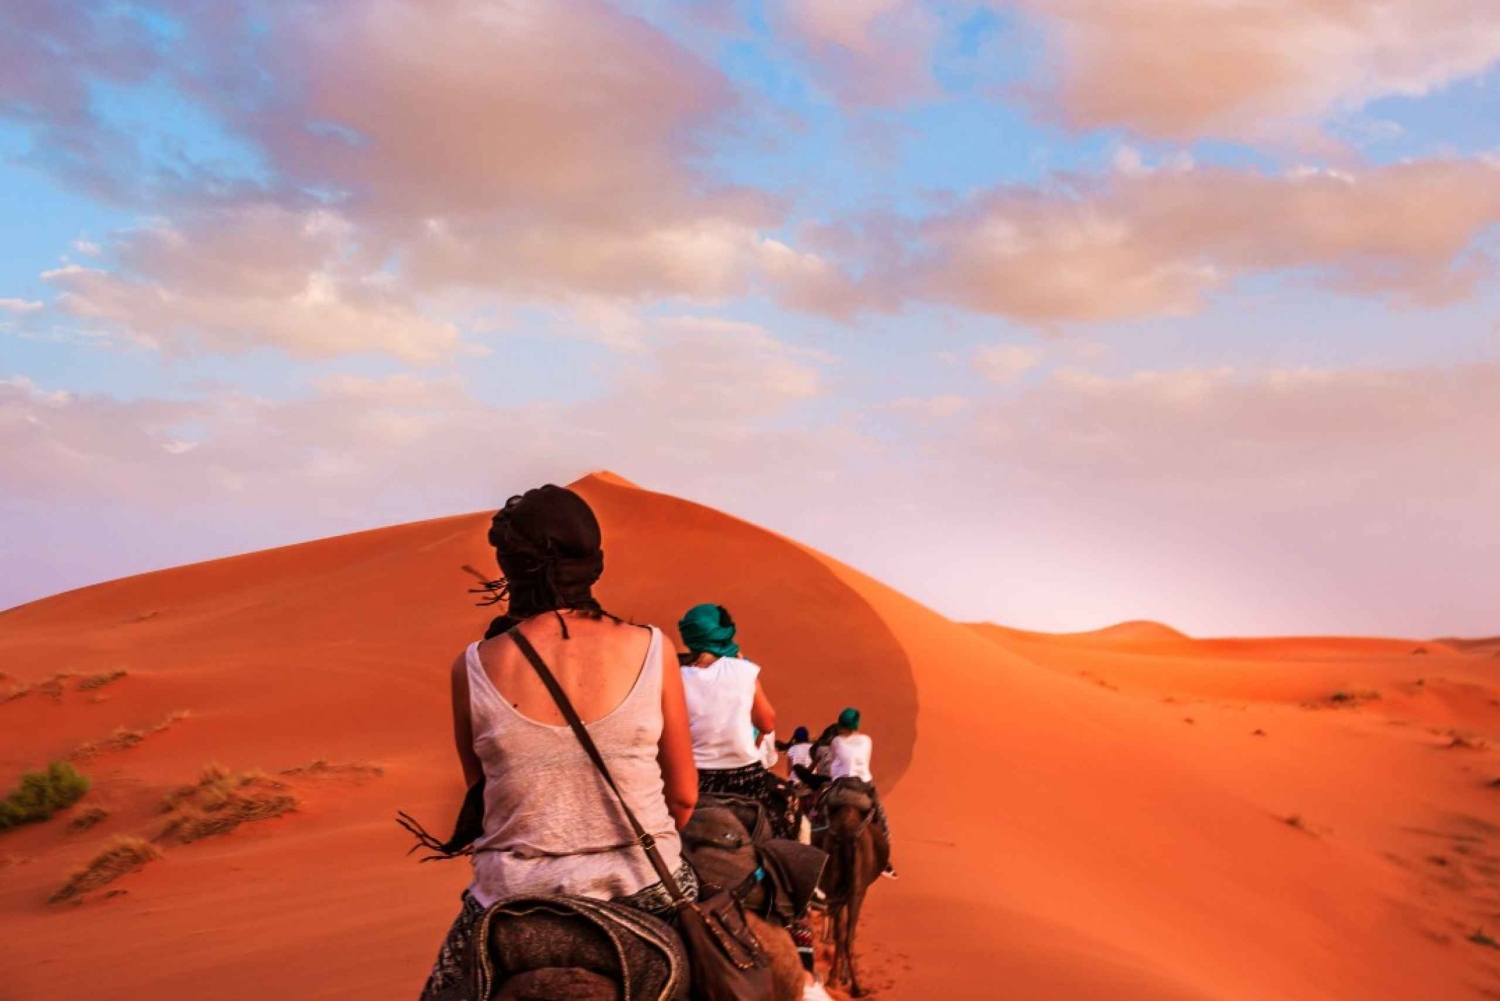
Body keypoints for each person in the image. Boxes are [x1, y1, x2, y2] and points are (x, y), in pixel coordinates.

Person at [417, 486, 700, 1000]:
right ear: (594, 564)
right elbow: (683, 796)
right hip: (643, 891)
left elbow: (485, 799)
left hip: (510, 907)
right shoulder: (654, 648)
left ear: (511, 568)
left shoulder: (473, 666)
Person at [677, 602, 793, 837]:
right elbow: (767, 723)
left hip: (694, 779)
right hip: (745, 778)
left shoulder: (676, 677)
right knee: (780, 831)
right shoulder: (744, 670)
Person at [826, 707, 896, 880]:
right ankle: (884, 862)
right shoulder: (866, 740)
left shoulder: (835, 741)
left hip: (840, 788)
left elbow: (833, 765)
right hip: (863, 787)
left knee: (817, 811)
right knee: (881, 819)